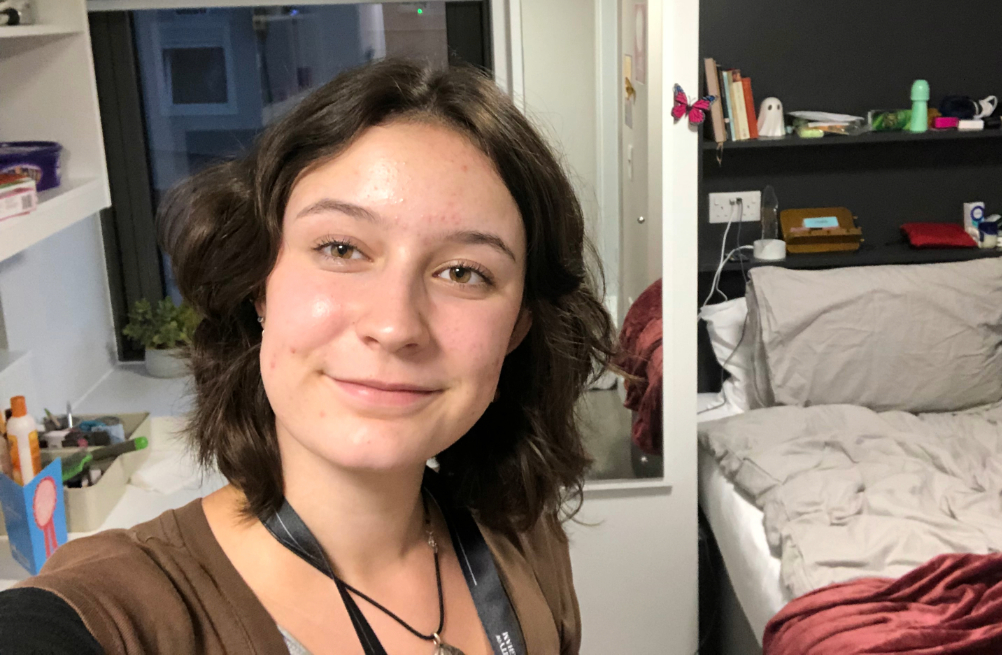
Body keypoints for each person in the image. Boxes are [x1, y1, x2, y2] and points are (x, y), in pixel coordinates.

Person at [0, 59, 614, 655]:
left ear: (516, 328)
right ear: (259, 286)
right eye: (342, 248)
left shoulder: (526, 544)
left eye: (463, 272)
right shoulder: (122, 611)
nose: (395, 325)